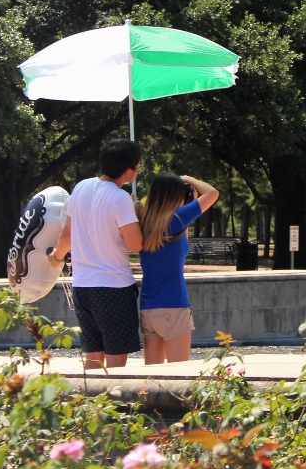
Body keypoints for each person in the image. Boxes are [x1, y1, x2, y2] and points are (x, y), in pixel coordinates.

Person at [51, 140, 143, 369]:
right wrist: (134, 213)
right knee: (116, 359)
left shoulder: (81, 187)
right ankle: (115, 403)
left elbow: (67, 234)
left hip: (82, 286)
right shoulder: (120, 198)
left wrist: (55, 258)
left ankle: (92, 403)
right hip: (113, 287)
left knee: (92, 355)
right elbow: (136, 245)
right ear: (129, 171)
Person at [137, 173, 219, 364]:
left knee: (152, 377)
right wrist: (188, 178)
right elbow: (213, 193)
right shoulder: (176, 219)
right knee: (179, 374)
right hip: (174, 304)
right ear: (176, 195)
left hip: (148, 308)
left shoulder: (143, 221)